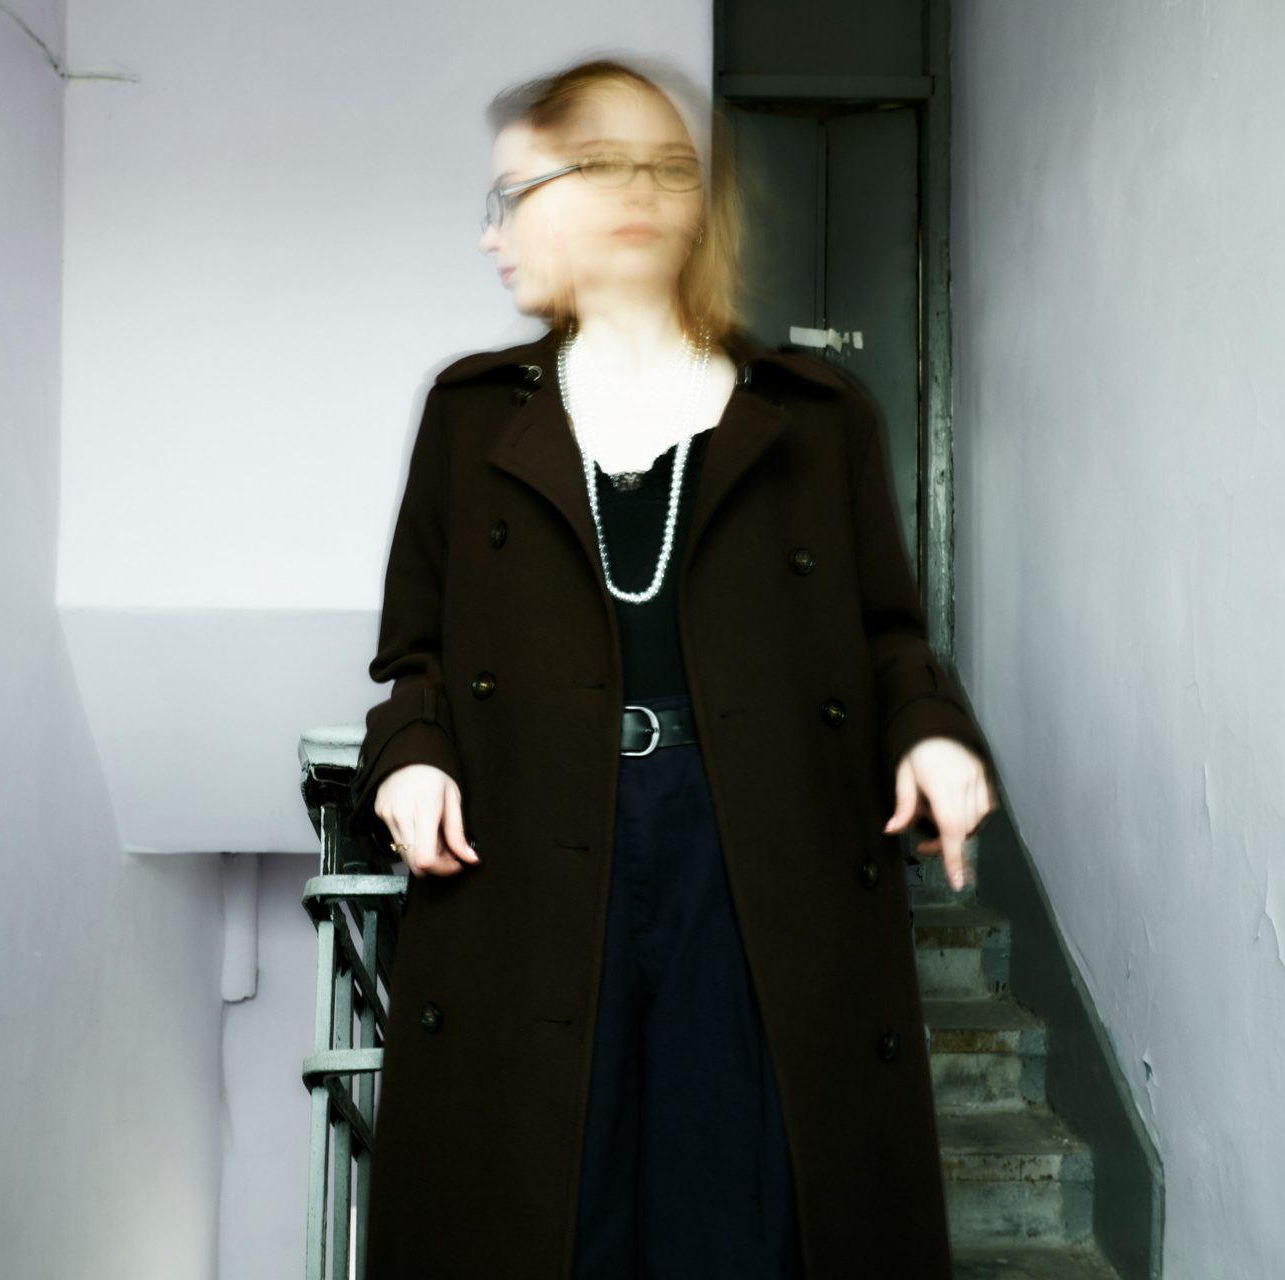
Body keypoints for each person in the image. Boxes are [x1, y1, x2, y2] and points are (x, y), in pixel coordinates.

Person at [350, 58, 995, 1280]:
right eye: (588, 170)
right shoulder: (471, 416)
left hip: (748, 842)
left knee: (734, 1199)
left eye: (660, 167)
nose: (635, 192)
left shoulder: (816, 416)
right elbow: (415, 656)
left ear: (687, 202)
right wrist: (413, 757)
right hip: (535, 836)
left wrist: (928, 729)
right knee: (550, 1197)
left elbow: (888, 635)